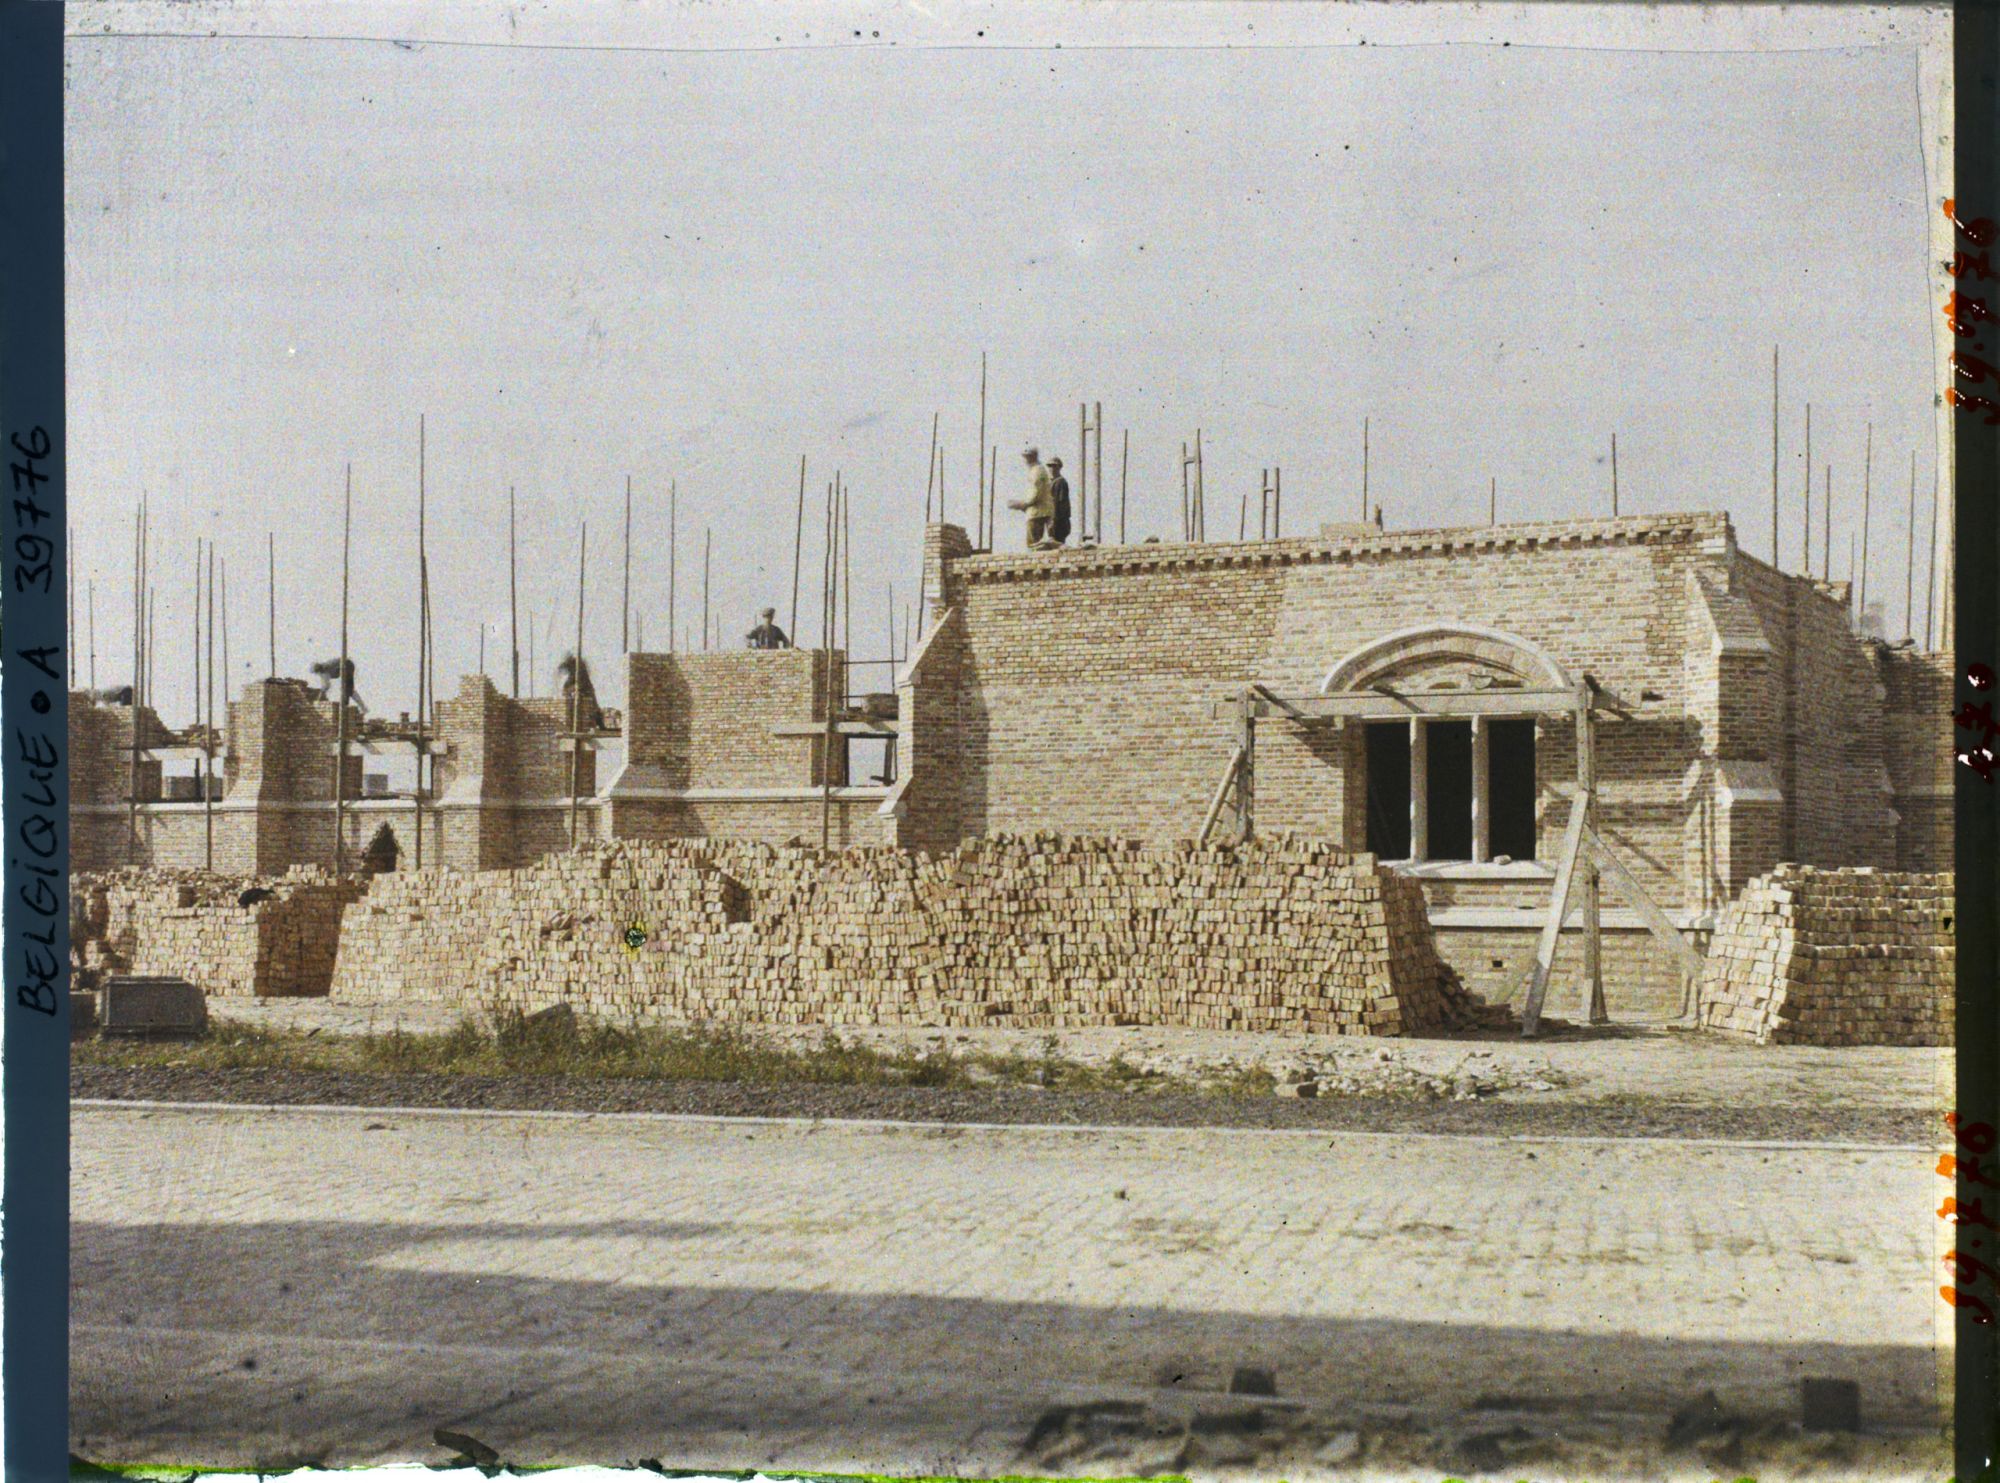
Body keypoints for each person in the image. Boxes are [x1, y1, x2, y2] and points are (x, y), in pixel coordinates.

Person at [1006, 446, 1054, 548]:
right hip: (1039, 511)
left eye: (1026, 457)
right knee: (1035, 545)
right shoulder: (1038, 470)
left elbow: (1035, 494)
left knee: (1033, 545)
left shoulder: (1037, 471)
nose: (1025, 461)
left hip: (1036, 513)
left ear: (1031, 457)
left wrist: (1021, 504)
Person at [1046, 456, 1072, 546]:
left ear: (1059, 467)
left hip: (1060, 521)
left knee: (1058, 543)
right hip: (1052, 519)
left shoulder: (1061, 482)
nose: (1051, 468)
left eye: (1054, 466)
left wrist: (1054, 520)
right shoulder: (1050, 483)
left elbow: (1060, 504)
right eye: (1050, 466)